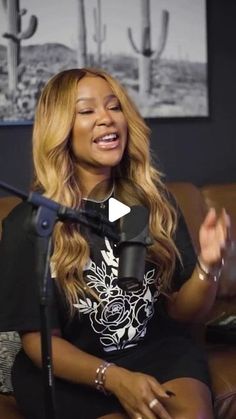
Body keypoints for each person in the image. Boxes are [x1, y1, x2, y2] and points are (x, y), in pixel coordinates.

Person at [0, 68, 230, 419]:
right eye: (87, 111)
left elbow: (184, 311)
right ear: (61, 128)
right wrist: (114, 378)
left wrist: (208, 268)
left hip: (157, 351)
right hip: (73, 368)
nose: (107, 119)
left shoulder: (151, 204)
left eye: (114, 107)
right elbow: (38, 343)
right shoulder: (31, 223)